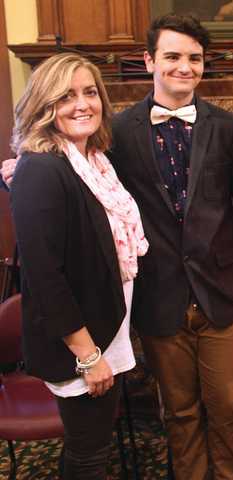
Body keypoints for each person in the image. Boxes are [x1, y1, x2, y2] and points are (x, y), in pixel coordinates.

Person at [101, 15, 233, 479]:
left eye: (194, 58)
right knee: (179, 413)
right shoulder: (117, 131)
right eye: (172, 56)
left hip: (222, 294)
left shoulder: (232, 128)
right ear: (149, 60)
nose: (184, 67)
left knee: (230, 408)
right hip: (159, 293)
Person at [9, 53, 148, 478]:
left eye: (90, 92)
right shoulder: (42, 168)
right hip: (80, 342)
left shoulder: (94, 162)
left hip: (107, 328)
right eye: (66, 96)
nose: (82, 104)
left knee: (92, 444)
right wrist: (88, 356)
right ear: (44, 105)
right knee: (89, 454)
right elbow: (45, 276)